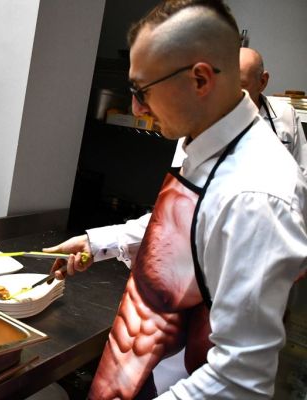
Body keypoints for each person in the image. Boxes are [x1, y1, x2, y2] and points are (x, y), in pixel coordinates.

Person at [44, 1, 307, 399]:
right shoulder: (202, 141)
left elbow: (238, 380)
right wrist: (97, 243)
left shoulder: (257, 196)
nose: (137, 107)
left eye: (142, 90)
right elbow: (185, 229)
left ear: (200, 79)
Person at [239, 46, 307, 175]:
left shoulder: (285, 114)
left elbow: (303, 169)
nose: (232, 93)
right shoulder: (213, 117)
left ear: (262, 82)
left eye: (241, 85)